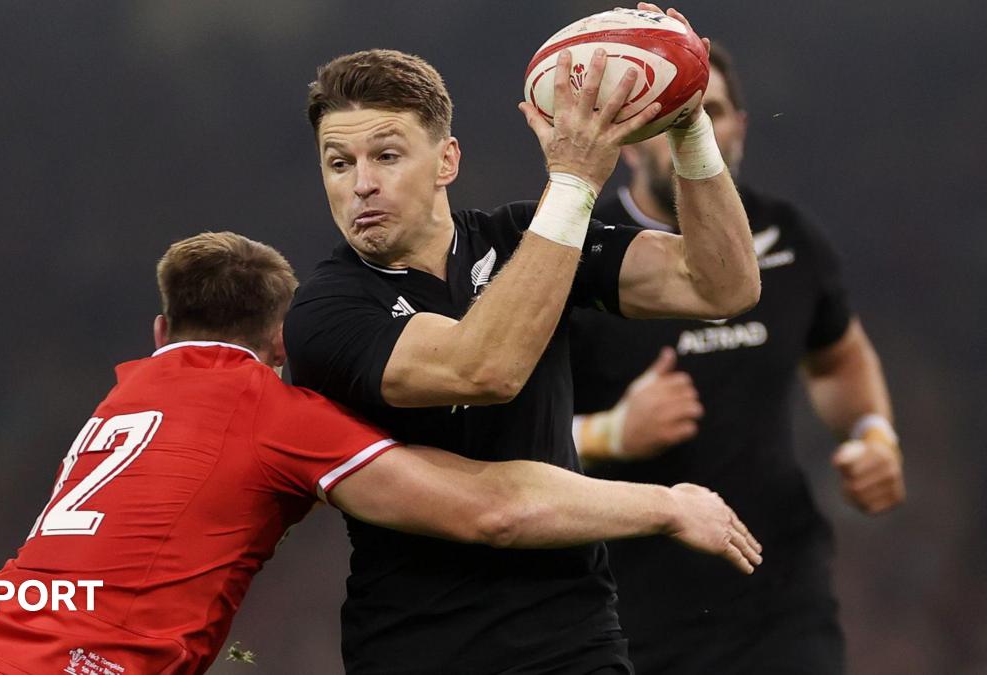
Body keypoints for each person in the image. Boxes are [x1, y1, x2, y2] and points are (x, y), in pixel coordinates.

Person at [0, 232, 760, 675]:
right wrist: (668, 502)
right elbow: (489, 507)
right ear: (281, 337)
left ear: (161, 329)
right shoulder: (273, 411)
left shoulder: (129, 392)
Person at [284, 6, 761, 673]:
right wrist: (572, 183)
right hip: (420, 651)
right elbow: (483, 368)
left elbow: (721, 285)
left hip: (575, 642)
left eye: (386, 155)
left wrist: (689, 129)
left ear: (446, 159)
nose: (361, 183)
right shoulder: (324, 313)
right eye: (339, 162)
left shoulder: (520, 238)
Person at [567, 42, 906, 674]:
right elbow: (504, 438)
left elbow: (838, 358)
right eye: (667, 115)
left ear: (739, 128)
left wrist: (874, 435)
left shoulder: (790, 238)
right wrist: (610, 433)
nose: (691, 129)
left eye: (707, 111)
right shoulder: (579, 257)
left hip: (782, 599)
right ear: (631, 140)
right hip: (626, 610)